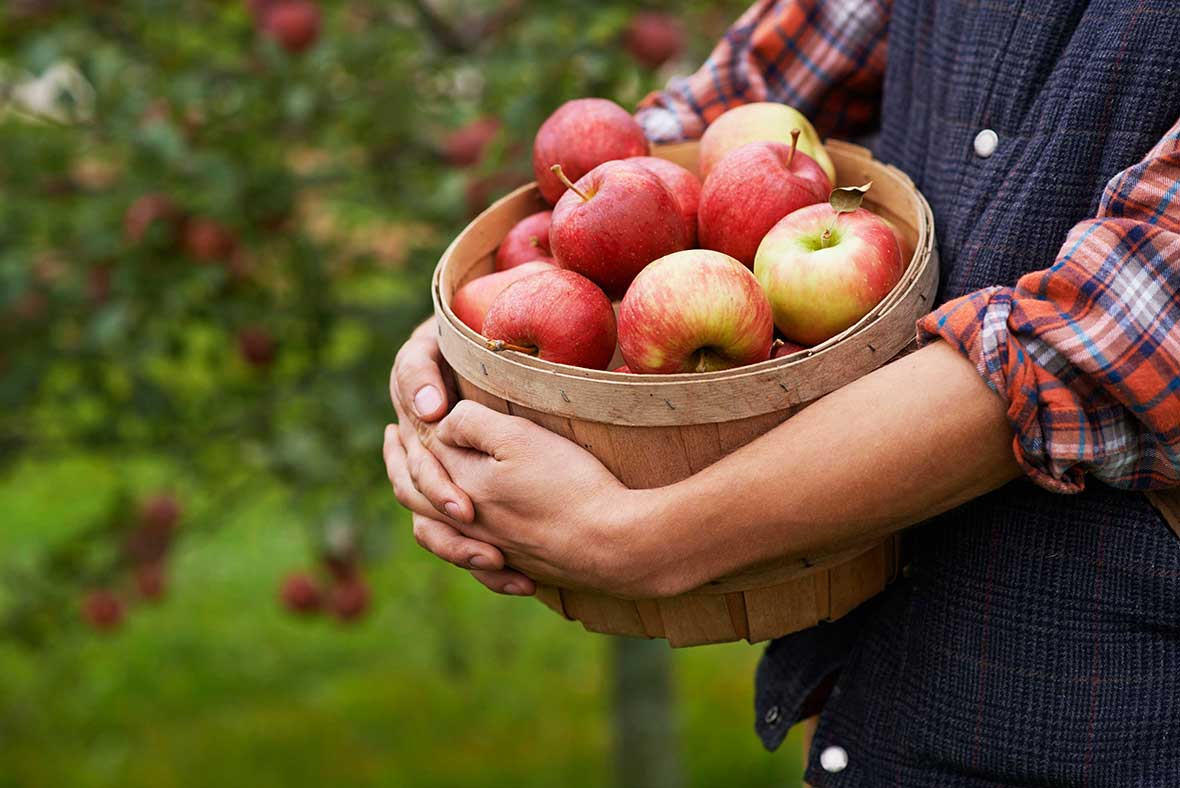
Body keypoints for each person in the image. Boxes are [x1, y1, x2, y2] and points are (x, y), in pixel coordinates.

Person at [385, 0, 1180, 784]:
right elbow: (749, 91)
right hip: (865, 704)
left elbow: (1099, 340)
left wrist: (643, 536)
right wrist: (478, 329)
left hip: (1095, 718)